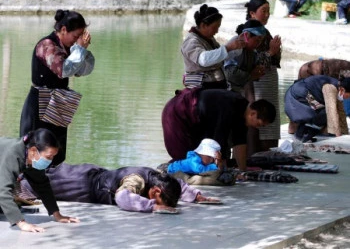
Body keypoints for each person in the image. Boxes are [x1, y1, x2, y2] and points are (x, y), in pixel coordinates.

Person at [20, 10, 95, 166]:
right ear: (63, 30)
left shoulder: (69, 48)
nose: (76, 41)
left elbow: (82, 70)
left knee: (56, 150)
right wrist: (79, 50)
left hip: (58, 101)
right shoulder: (47, 45)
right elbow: (64, 70)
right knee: (37, 149)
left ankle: (54, 183)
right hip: (40, 102)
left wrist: (82, 50)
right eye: (75, 36)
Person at [19, 163, 220, 214]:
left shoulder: (158, 179)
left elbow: (178, 185)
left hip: (89, 176)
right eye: (159, 200)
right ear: (156, 192)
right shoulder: (138, 180)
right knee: (33, 184)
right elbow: (123, 197)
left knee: (43, 177)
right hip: (80, 184)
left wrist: (197, 196)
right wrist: (153, 207)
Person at [162, 88, 276, 171]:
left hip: (197, 119)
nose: (258, 127)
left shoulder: (243, 112)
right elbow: (217, 141)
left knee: (198, 160)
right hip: (176, 113)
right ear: (253, 113)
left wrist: (243, 170)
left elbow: (240, 143)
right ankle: (168, 170)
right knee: (184, 157)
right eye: (260, 124)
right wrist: (222, 168)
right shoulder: (229, 107)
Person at [0, 128, 79, 232]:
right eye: (48, 156)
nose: (50, 161)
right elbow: (3, 191)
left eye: (53, 157)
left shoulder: (30, 158)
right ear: (33, 151)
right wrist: (22, 223)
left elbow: (42, 185)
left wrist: (57, 215)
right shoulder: (13, 155)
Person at [244, 0, 282, 154]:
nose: (267, 14)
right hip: (257, 83)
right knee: (257, 117)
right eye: (263, 11)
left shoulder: (263, 31)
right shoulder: (248, 32)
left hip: (268, 83)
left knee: (268, 119)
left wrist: (275, 53)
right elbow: (250, 60)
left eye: (268, 11)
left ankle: (264, 156)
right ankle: (252, 156)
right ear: (252, 13)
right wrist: (271, 52)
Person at [181, 4, 245, 89]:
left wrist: (236, 47)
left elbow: (220, 57)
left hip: (216, 85)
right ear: (203, 25)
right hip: (200, 88)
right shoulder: (191, 41)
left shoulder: (209, 39)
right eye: (215, 27)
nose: (217, 31)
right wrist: (228, 47)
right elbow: (203, 59)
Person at [284, 75, 350, 142]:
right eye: (349, 96)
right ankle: (300, 136)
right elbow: (331, 111)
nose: (348, 98)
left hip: (306, 97)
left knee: (322, 115)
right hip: (297, 97)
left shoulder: (338, 89)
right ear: (342, 89)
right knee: (323, 115)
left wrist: (345, 132)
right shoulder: (330, 88)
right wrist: (339, 136)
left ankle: (305, 136)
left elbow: (341, 111)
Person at [224, 19, 266, 92]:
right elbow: (230, 74)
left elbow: (252, 72)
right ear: (247, 35)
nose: (259, 43)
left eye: (261, 41)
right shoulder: (235, 46)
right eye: (257, 40)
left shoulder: (252, 51)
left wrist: (258, 71)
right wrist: (251, 76)